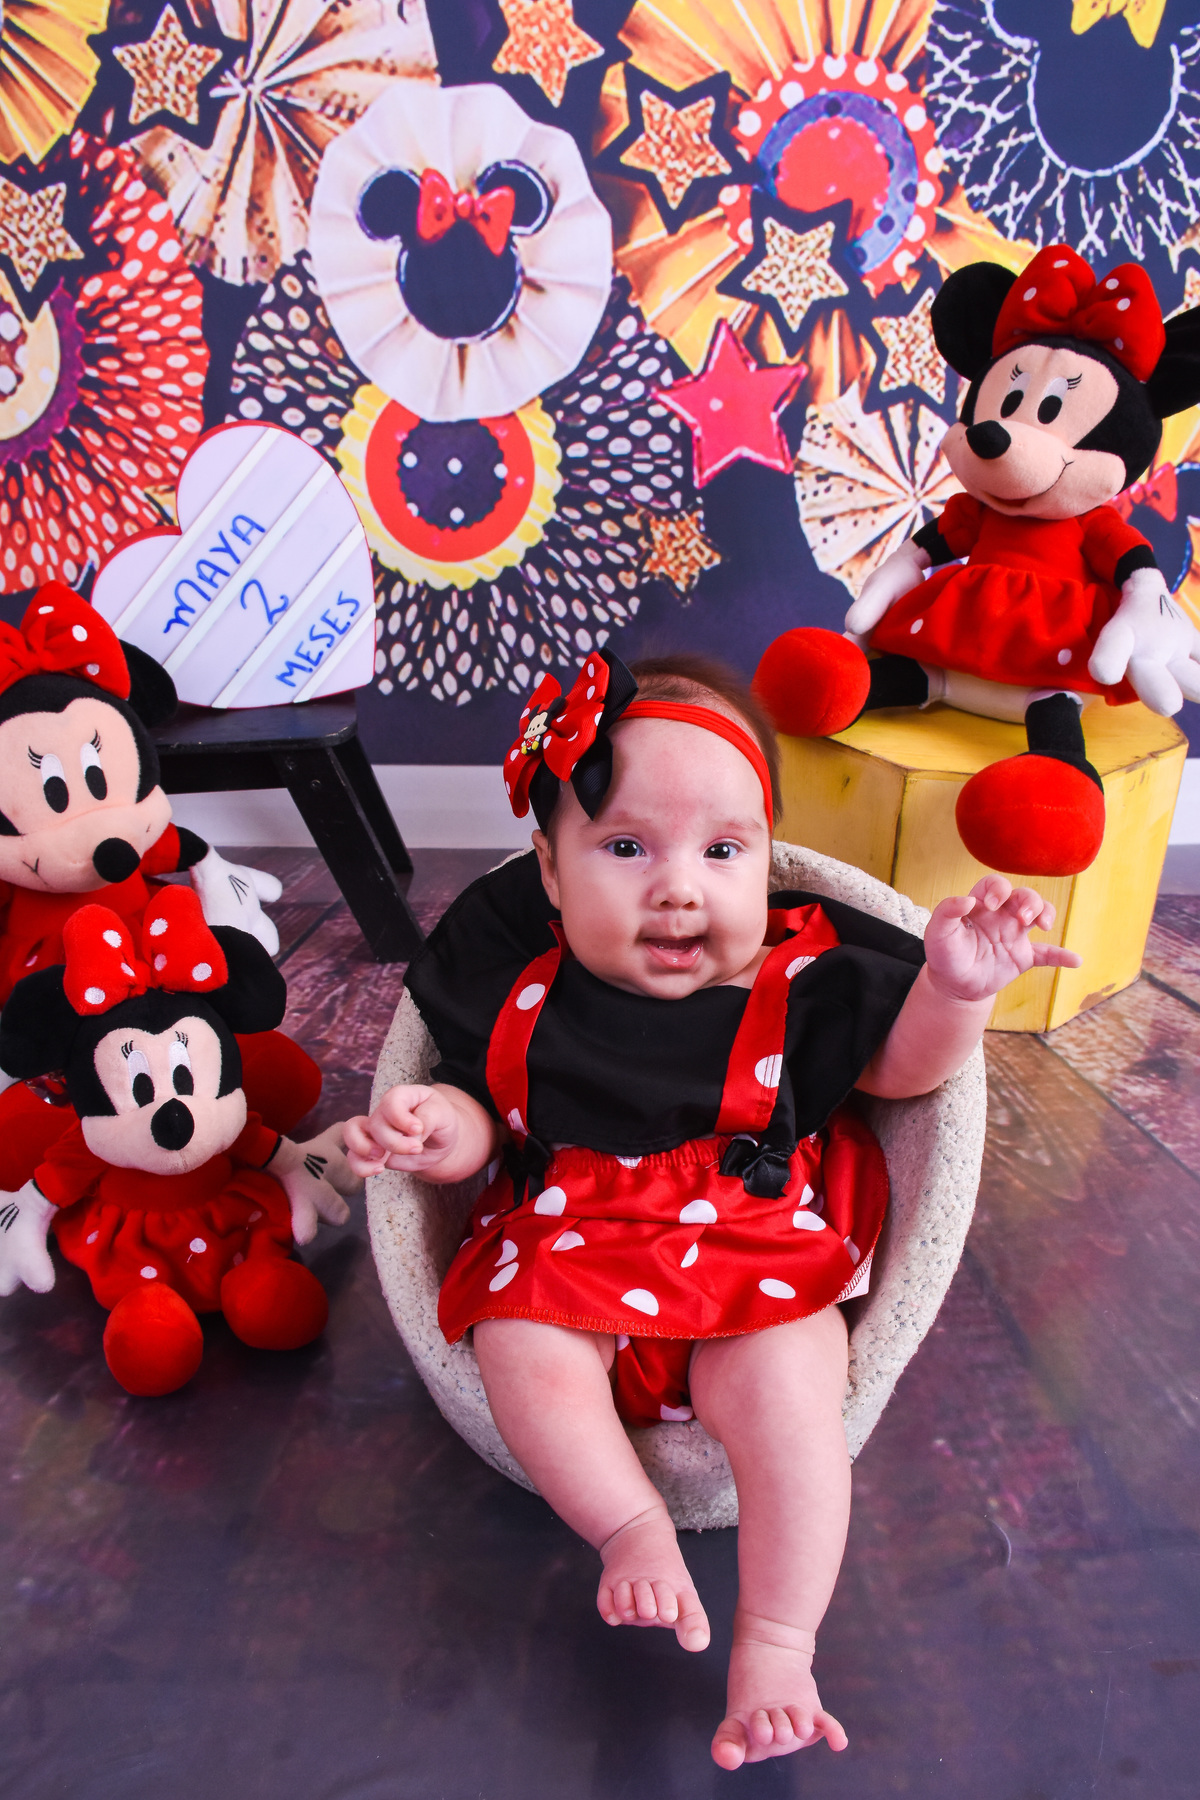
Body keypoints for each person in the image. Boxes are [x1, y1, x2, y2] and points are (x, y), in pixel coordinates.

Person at [346, 649, 1078, 1769]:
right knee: (518, 1342)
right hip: (570, 1249)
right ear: (551, 872)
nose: (679, 888)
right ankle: (630, 1523)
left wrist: (954, 991)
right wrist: (437, 1130)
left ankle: (778, 1643)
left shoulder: (801, 975)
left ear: (767, 861)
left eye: (723, 851)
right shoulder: (526, 990)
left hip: (752, 1250)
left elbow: (903, 1073)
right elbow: (484, 1112)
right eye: (626, 848)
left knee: (794, 1400)